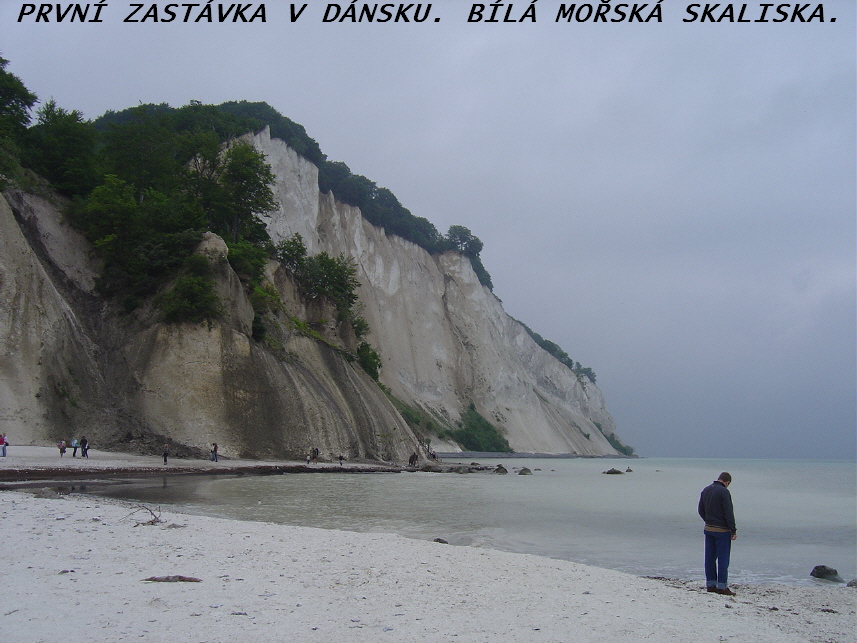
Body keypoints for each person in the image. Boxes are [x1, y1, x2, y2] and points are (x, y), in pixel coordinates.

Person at [698, 472, 737, 595]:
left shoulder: (706, 490)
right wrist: (733, 529)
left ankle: (710, 585)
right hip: (722, 530)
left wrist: (708, 520)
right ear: (727, 482)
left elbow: (700, 509)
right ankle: (722, 586)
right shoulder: (724, 492)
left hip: (709, 528)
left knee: (709, 558)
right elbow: (728, 512)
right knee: (723, 559)